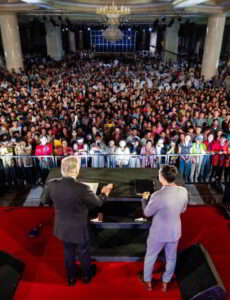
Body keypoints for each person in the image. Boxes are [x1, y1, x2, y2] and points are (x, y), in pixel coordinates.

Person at [42, 156, 113, 286]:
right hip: (80, 228)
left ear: (62, 169)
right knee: (84, 252)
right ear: (76, 170)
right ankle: (86, 277)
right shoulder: (82, 188)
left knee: (68, 252)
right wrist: (104, 193)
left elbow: (44, 201)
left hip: (62, 227)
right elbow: (98, 202)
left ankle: (71, 278)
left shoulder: (51, 184)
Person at [139, 165, 188, 292]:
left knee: (150, 256)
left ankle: (148, 281)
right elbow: (183, 210)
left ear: (162, 177)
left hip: (158, 233)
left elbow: (147, 213)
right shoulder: (183, 191)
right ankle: (165, 283)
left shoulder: (157, 195)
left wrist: (144, 199)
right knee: (171, 257)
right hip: (174, 232)